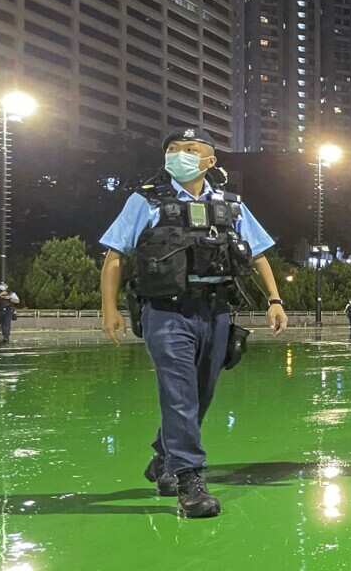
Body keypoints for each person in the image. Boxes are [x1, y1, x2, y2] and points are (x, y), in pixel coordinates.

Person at [99, 127, 288, 519]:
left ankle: (163, 458)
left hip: (215, 312)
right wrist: (109, 308)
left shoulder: (230, 205)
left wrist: (274, 300)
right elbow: (115, 255)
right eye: (173, 148)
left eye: (189, 148)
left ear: (210, 160)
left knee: (201, 393)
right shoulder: (146, 201)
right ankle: (189, 479)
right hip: (166, 312)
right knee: (179, 394)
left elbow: (258, 254)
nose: (178, 153)